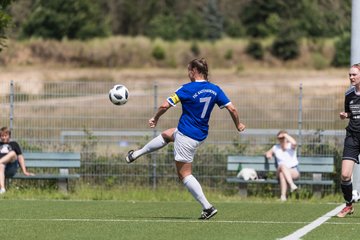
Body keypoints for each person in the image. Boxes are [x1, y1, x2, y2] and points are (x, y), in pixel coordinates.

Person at [126, 58, 246, 220]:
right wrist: (238, 125)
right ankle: (136, 154)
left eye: (189, 70)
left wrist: (155, 118)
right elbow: (232, 108)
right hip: (199, 134)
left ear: (194, 71)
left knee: (184, 175)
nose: (188, 74)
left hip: (186, 136)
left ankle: (207, 207)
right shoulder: (215, 89)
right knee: (168, 134)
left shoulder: (186, 89)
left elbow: (164, 105)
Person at [337, 63, 360, 218]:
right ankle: (348, 205)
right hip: (352, 135)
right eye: (350, 75)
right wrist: (345, 115)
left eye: (354, 74)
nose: (351, 77)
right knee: (345, 175)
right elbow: (350, 112)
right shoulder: (349, 94)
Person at [265, 130, 299, 201]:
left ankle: (283, 197)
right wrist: (269, 155)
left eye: (283, 138)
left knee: (282, 174)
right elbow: (268, 153)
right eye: (280, 138)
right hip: (280, 168)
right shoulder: (275, 147)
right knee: (282, 166)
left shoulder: (291, 146)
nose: (281, 140)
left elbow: (294, 143)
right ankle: (291, 184)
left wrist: (285, 135)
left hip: (293, 170)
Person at [0, 126, 34, 194]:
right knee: (1, 165)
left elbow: (20, 157)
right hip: (1, 170)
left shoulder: (14, 144)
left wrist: (24, 171)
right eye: (2, 136)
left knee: (12, 153)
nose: (4, 137)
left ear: (9, 135)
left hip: (11, 167)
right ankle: (3, 189)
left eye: (5, 135)